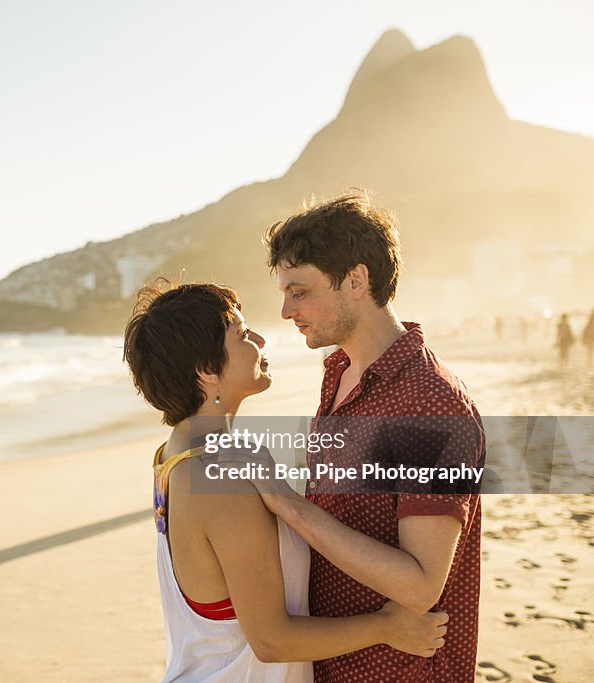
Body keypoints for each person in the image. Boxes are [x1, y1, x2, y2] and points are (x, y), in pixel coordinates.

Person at [214, 190, 484, 682]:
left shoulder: (429, 404)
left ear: (356, 280)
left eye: (300, 291)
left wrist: (286, 503)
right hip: (335, 663)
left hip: (400, 673)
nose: (285, 311)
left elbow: (421, 585)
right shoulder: (340, 372)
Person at [123, 280, 448, 682]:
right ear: (206, 371)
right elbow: (272, 640)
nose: (259, 338)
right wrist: (387, 627)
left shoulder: (173, 455)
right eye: (242, 334)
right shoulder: (219, 478)